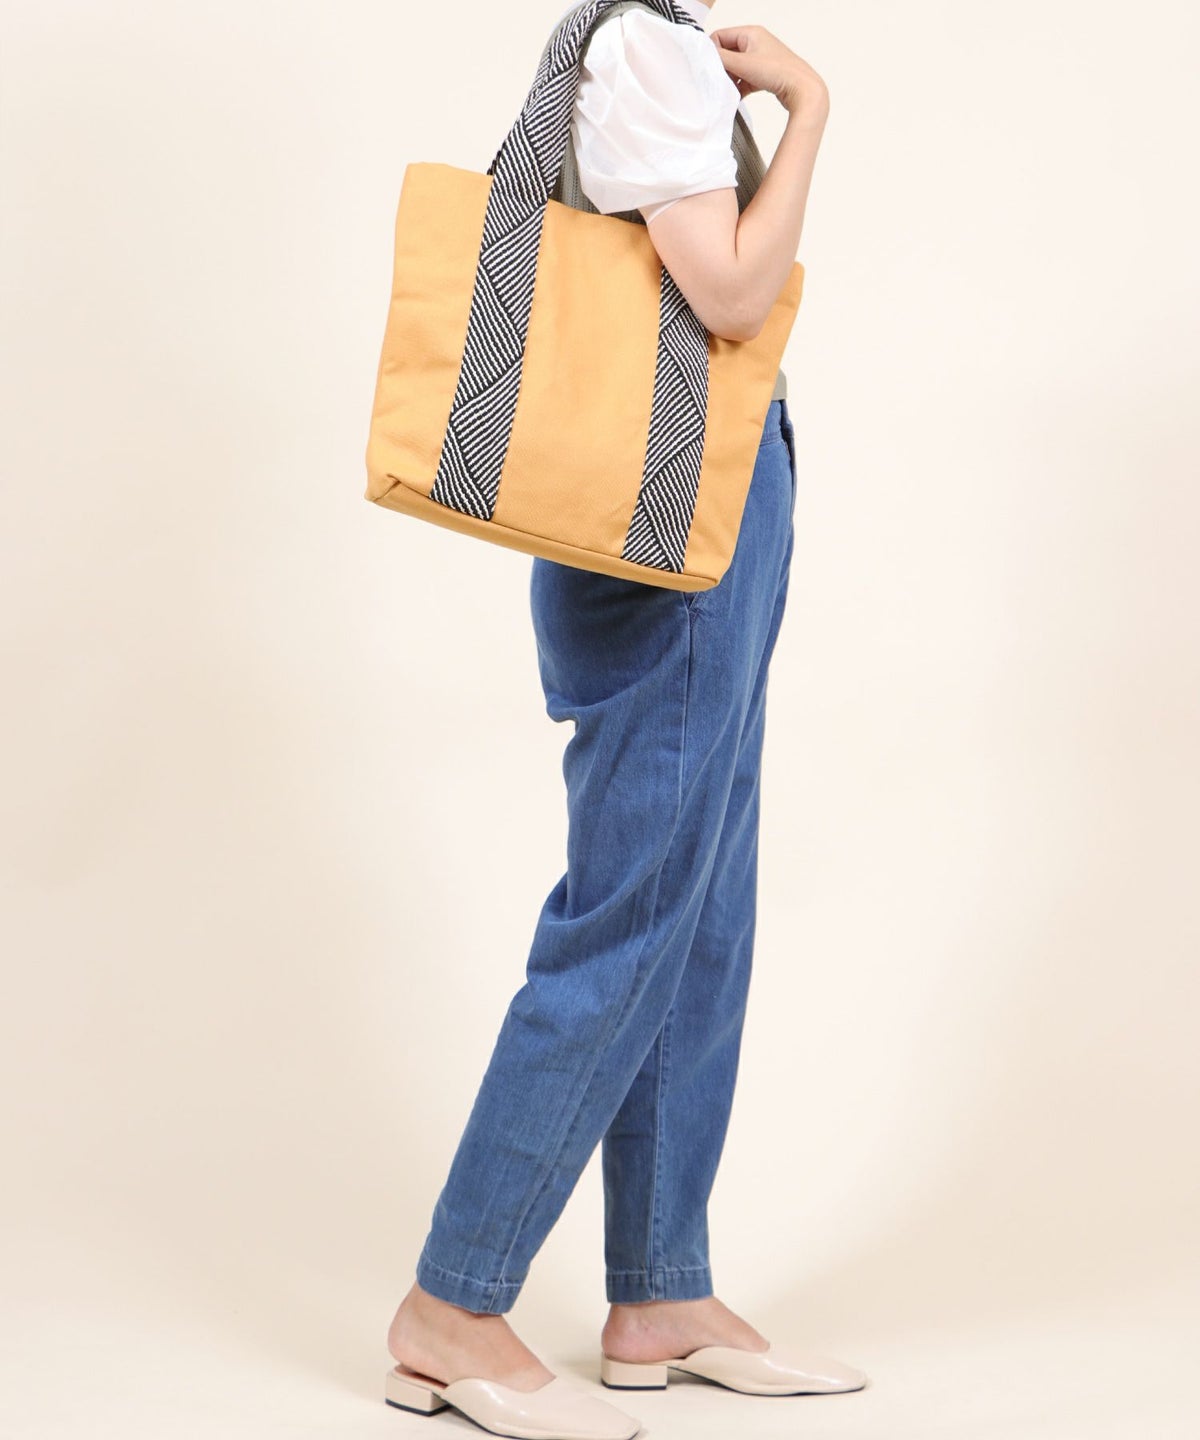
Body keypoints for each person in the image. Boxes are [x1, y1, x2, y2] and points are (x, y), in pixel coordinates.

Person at [385, 3, 860, 1435]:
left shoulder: (651, 38)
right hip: (671, 524)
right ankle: (453, 1307)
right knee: (635, 915)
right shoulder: (646, 45)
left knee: (696, 909)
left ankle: (660, 1289)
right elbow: (729, 295)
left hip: (699, 507)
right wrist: (812, 110)